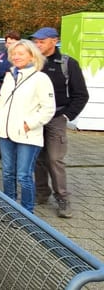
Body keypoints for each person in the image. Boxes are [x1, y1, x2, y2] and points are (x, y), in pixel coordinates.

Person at [32, 27, 89, 218]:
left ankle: (62, 197)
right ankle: (41, 193)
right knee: (37, 158)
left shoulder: (67, 64)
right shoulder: (32, 62)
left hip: (56, 118)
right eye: (36, 41)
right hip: (35, 118)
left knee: (54, 159)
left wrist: (66, 116)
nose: (38, 44)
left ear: (54, 41)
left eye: (42, 41)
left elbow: (81, 94)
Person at [0, 39, 55, 212]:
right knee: (7, 173)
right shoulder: (9, 76)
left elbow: (48, 108)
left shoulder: (40, 78)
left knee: (23, 175)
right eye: (14, 53)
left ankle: (27, 212)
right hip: (6, 133)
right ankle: (9, 209)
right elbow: (2, 101)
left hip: (27, 135)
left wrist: (30, 124)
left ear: (32, 55)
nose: (16, 56)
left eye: (21, 53)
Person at [0, 30, 21, 160]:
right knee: (0, 120)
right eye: (8, 43)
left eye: (13, 42)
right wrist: (2, 73)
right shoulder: (0, 56)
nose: (10, 45)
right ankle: (1, 149)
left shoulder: (20, 57)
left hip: (14, 94)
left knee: (13, 120)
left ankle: (14, 149)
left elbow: (14, 74)